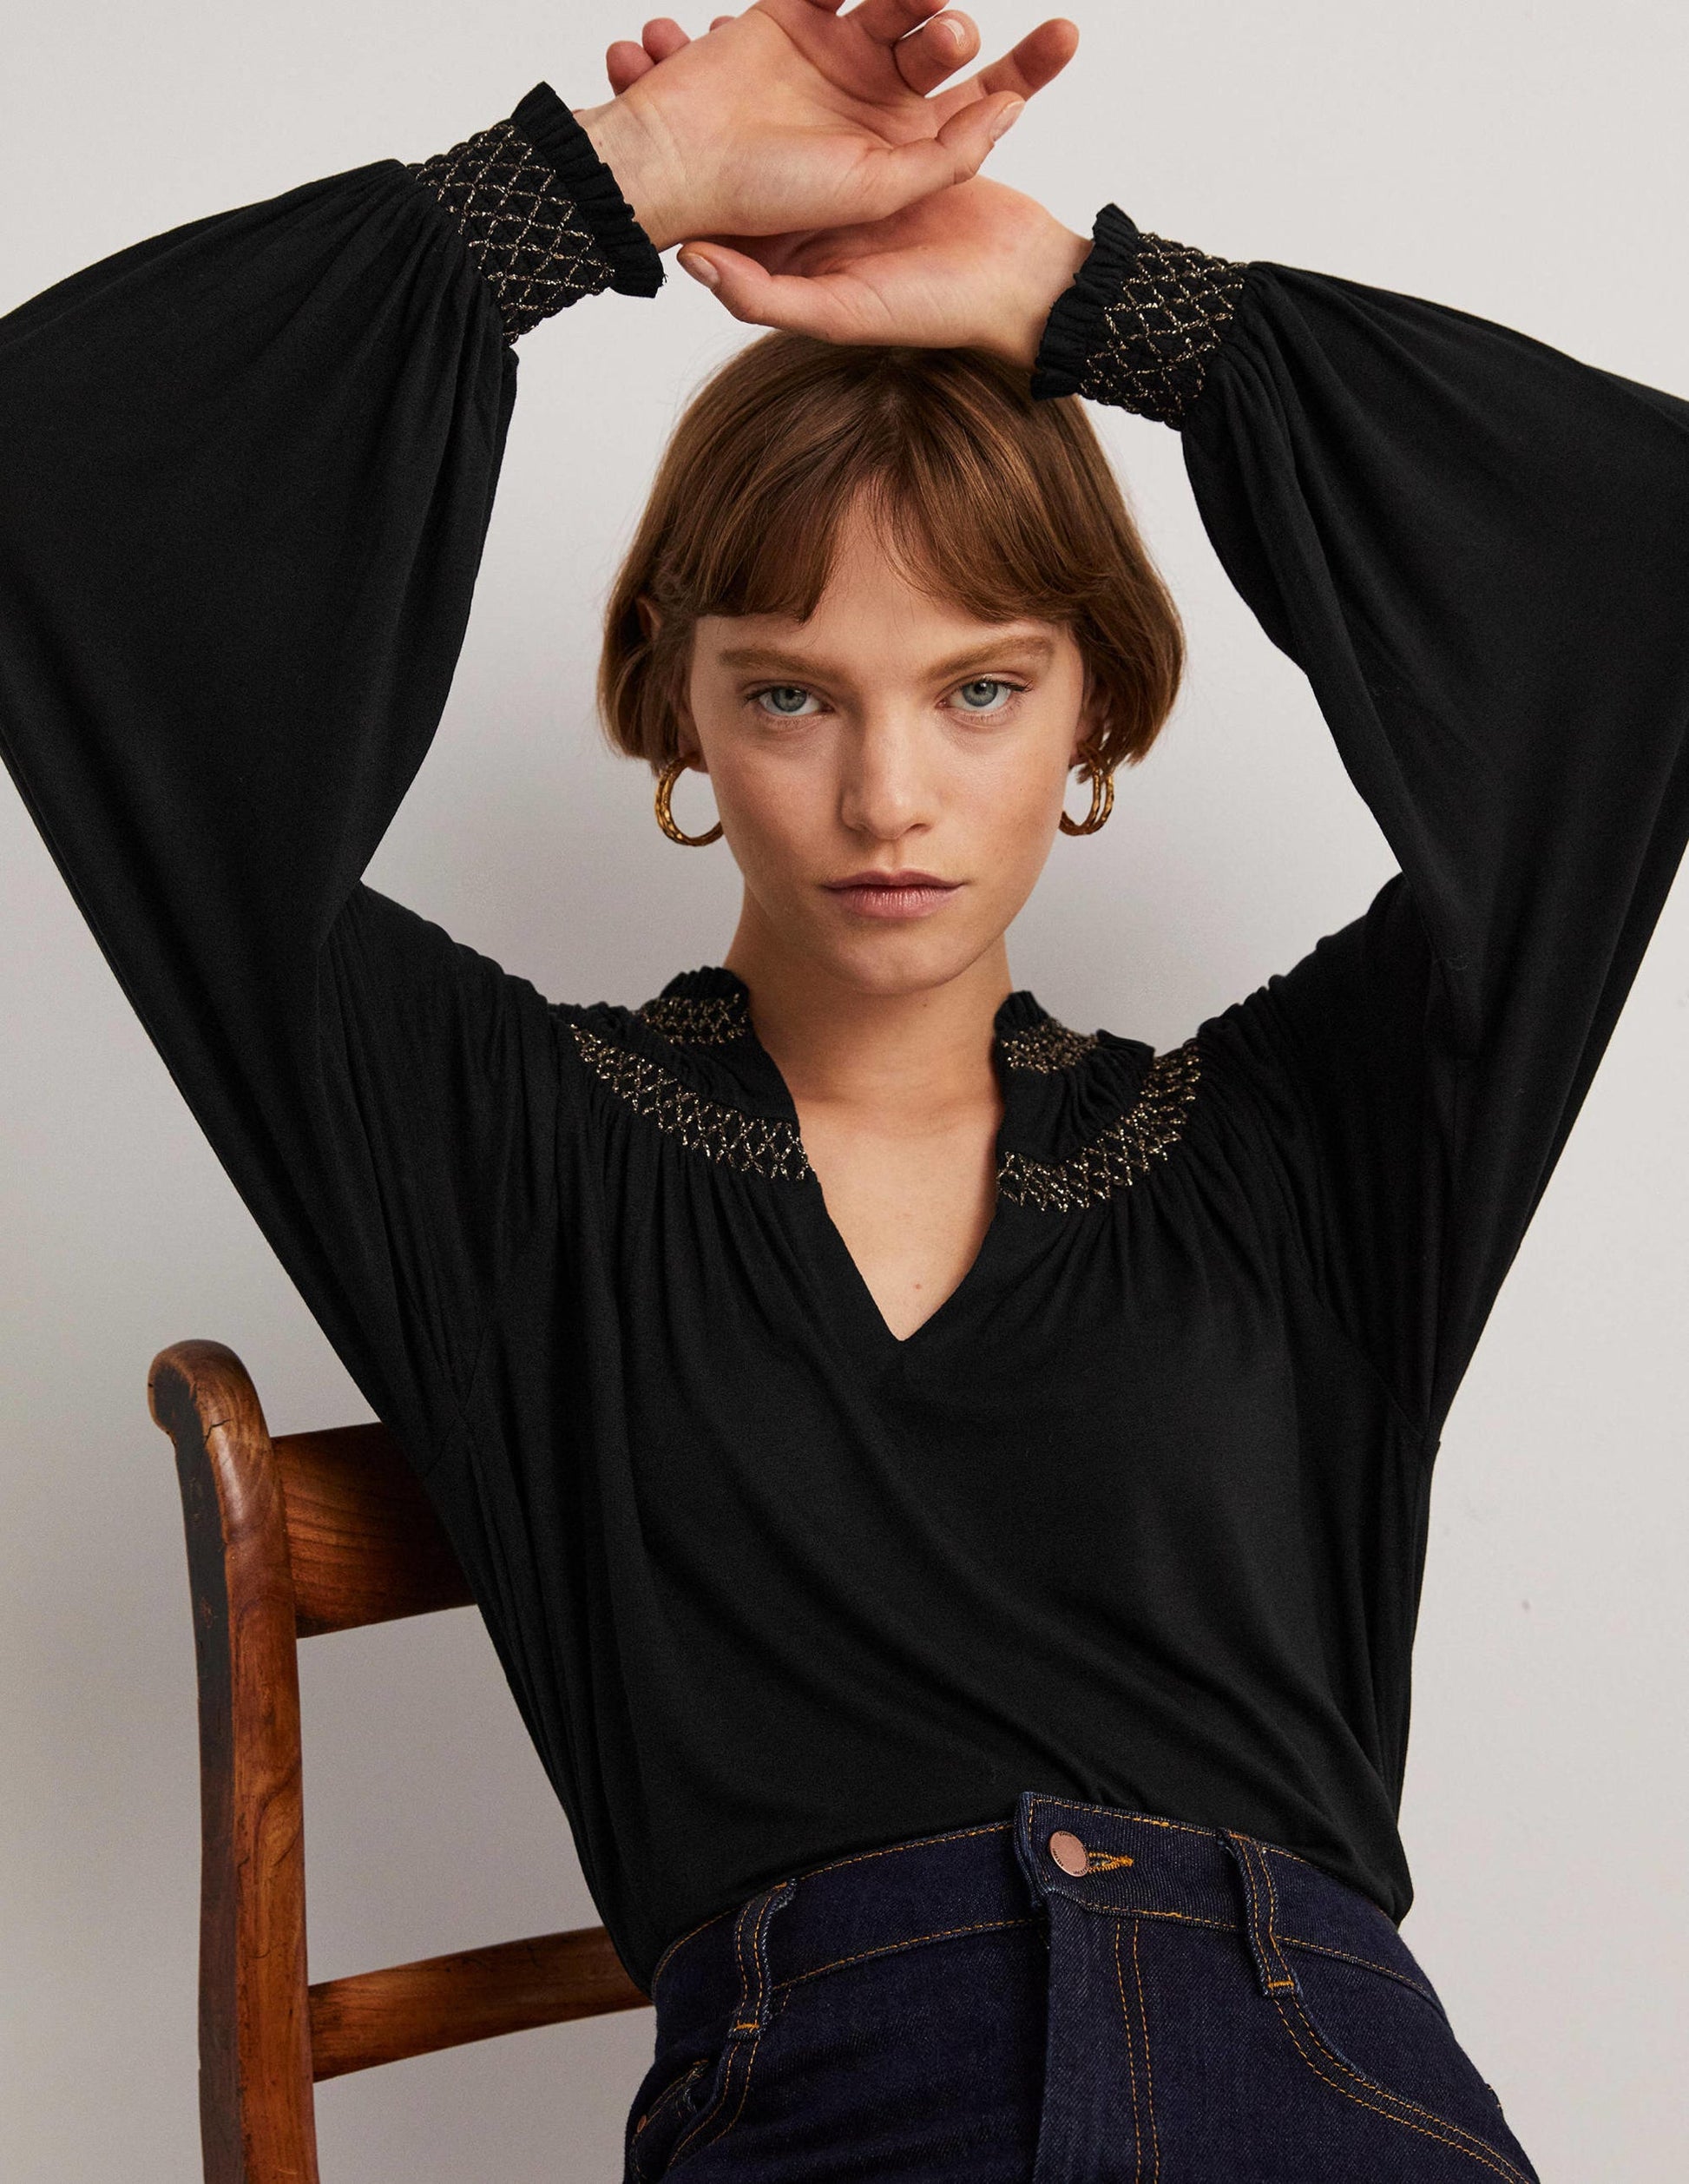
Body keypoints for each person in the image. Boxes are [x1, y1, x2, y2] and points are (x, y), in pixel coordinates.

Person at [3, 3, 1685, 2176]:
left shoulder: (1306, 1153)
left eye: (980, 688)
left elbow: (1647, 583)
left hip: (1318, 2082)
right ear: (676, 714)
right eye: (791, 693)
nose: (890, 793)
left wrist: (1105, 309)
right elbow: (50, 490)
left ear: (1095, 717)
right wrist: (600, 190)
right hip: (831, 2107)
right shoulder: (501, 1150)